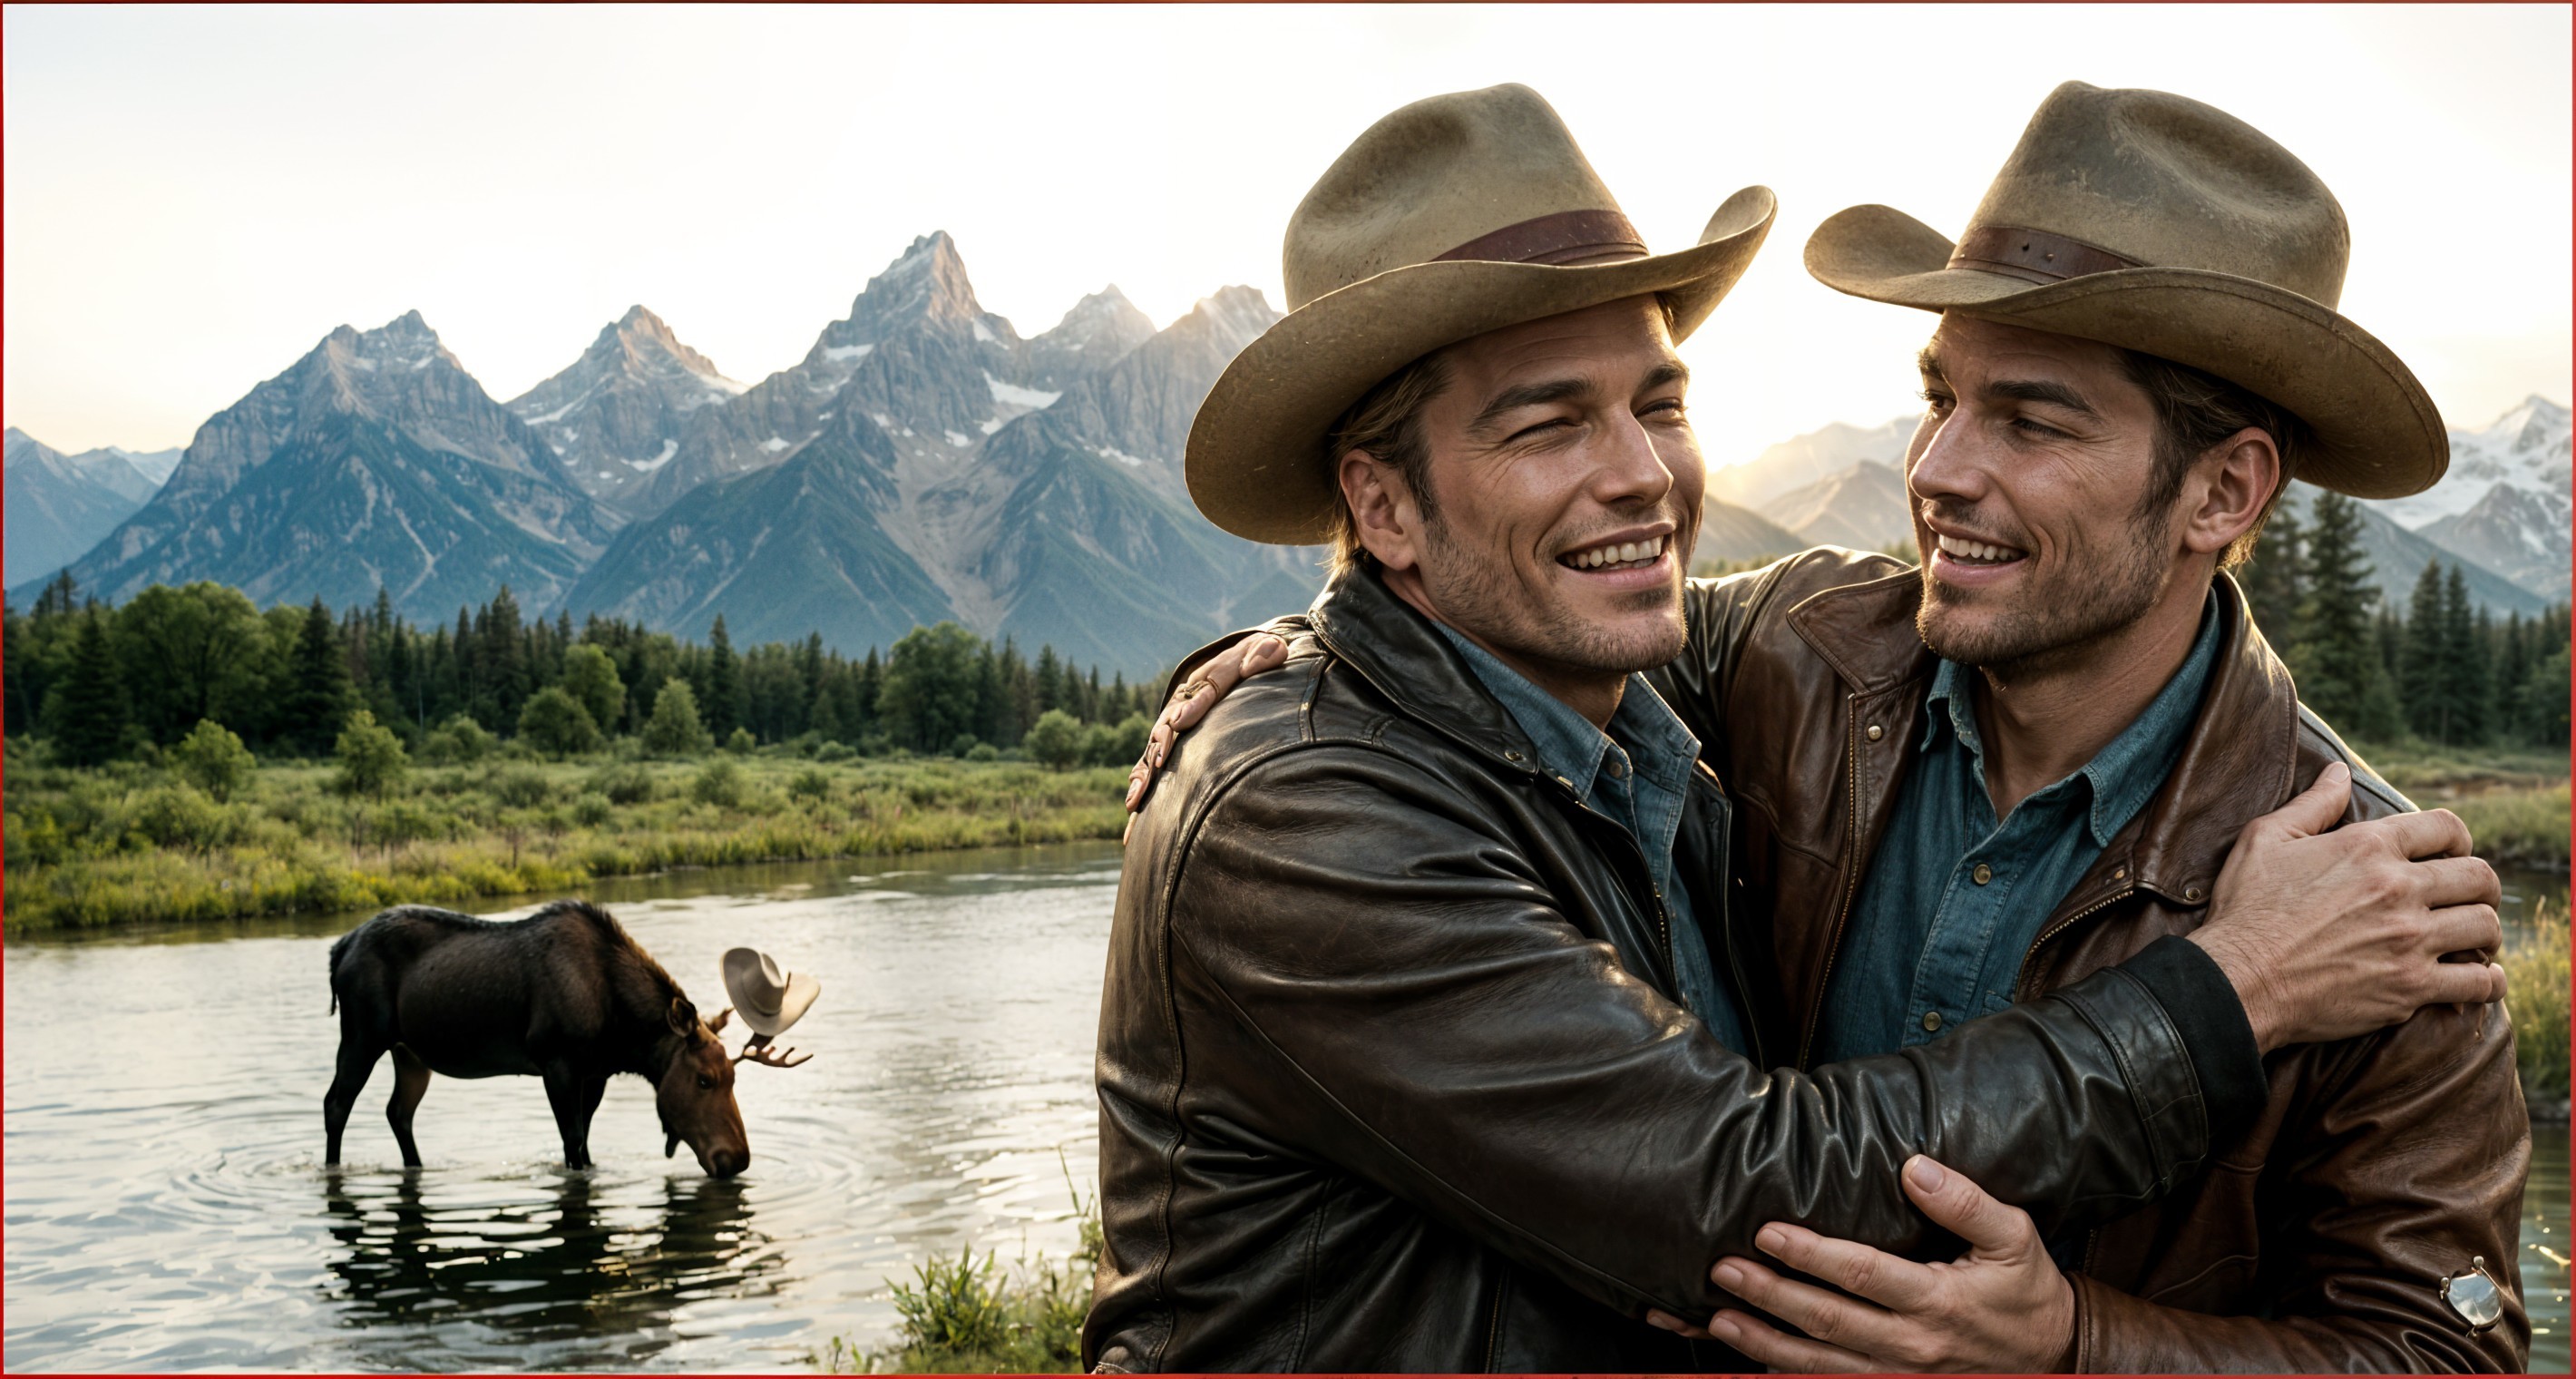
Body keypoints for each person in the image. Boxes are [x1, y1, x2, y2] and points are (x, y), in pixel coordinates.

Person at [1092, 83, 2506, 1373]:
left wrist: (2083, 1351)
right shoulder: (1804, 663)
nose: (1938, 469)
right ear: (1382, 506)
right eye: (1941, 398)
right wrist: (1304, 657)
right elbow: (1733, 1184)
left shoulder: (2372, 901)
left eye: (2030, 422)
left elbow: (2446, 1353)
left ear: (2225, 492)